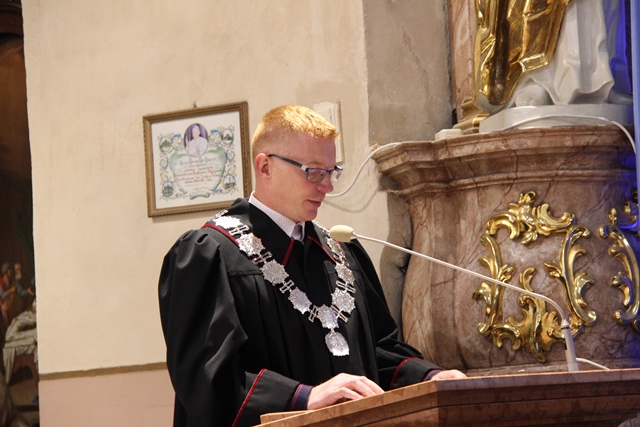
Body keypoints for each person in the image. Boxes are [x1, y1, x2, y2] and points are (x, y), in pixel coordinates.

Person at [159, 105, 466, 427]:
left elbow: (376, 351)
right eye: (314, 172)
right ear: (265, 166)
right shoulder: (210, 254)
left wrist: (431, 378)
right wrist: (303, 397)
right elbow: (206, 378)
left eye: (332, 172)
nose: (327, 186)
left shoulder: (342, 252)